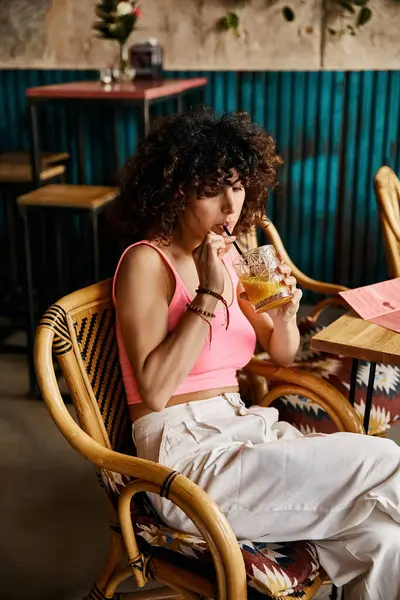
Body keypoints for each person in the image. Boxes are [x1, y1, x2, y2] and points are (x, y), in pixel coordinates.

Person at [112, 109, 400, 600]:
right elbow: (156, 391)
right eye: (212, 188)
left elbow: (283, 354)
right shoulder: (146, 262)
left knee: (385, 538)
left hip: (244, 431)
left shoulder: (227, 255)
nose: (230, 204)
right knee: (386, 458)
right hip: (185, 462)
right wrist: (206, 297)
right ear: (177, 188)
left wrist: (286, 313)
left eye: (239, 186)